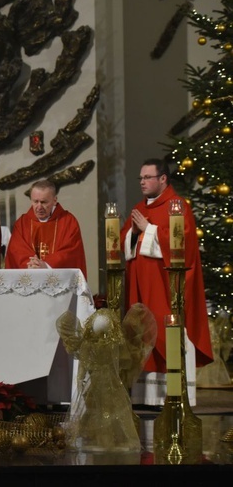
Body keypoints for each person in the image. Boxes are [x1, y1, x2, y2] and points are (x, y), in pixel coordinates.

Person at [120, 158, 213, 406]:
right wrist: (134, 233)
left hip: (165, 288)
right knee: (142, 334)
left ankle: (173, 394)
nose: (142, 182)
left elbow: (182, 245)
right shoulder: (140, 207)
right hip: (141, 289)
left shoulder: (178, 207)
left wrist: (147, 229)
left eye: (147, 177)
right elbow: (124, 243)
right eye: (140, 178)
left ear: (163, 179)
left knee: (164, 332)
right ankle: (144, 396)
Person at [4, 179, 87, 278]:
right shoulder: (22, 223)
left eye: (44, 202)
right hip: (29, 278)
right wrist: (33, 265)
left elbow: (70, 252)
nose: (39, 207)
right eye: (35, 201)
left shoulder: (68, 222)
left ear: (54, 200)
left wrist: (46, 265)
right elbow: (17, 251)